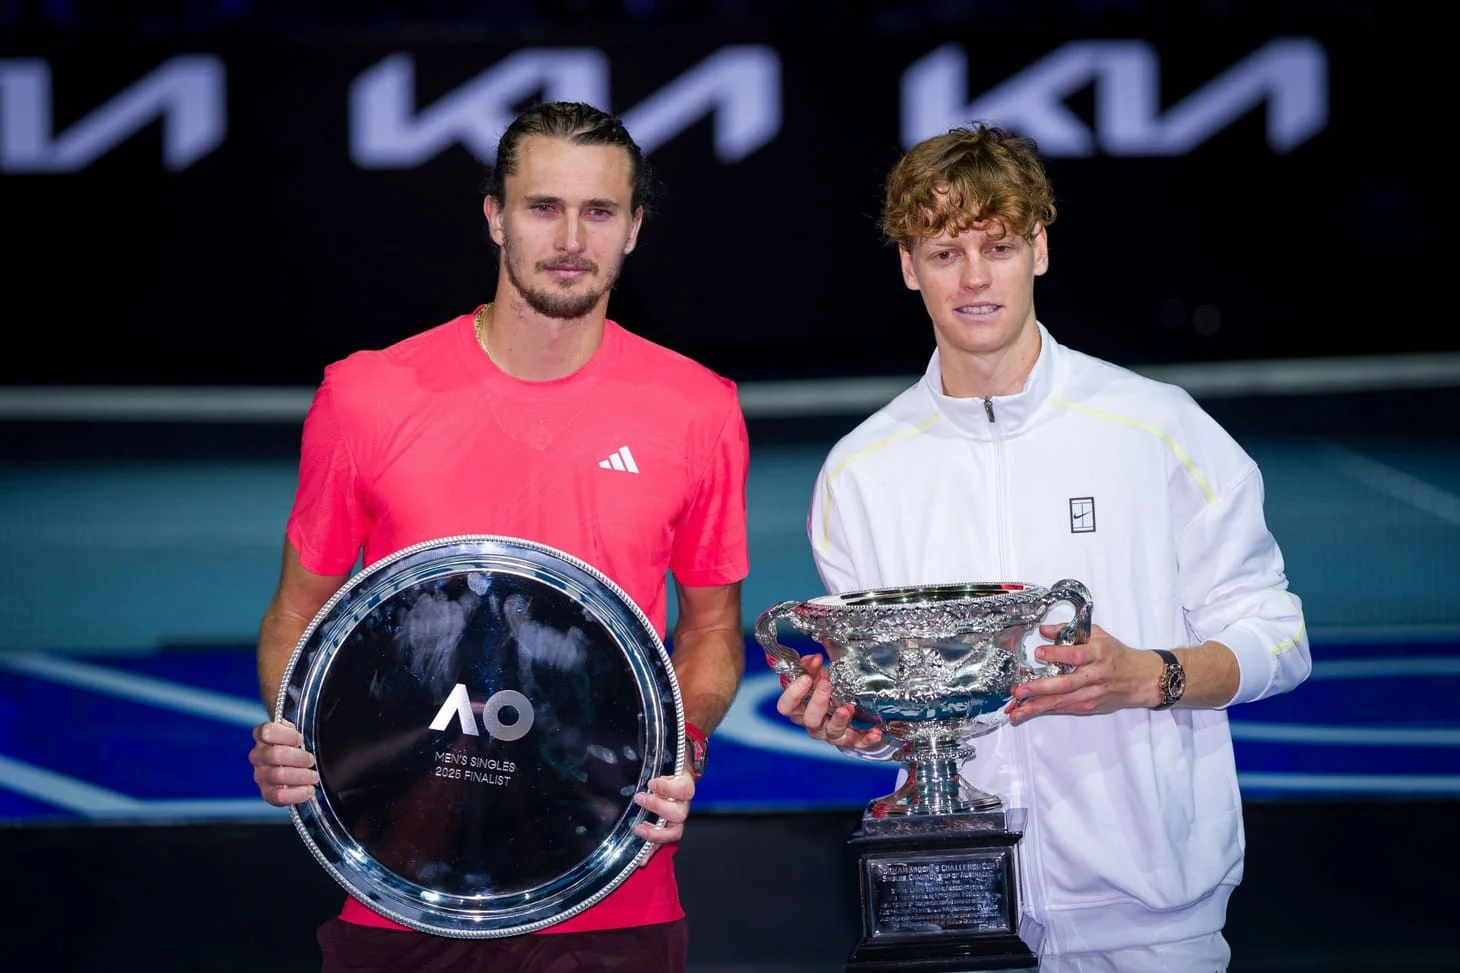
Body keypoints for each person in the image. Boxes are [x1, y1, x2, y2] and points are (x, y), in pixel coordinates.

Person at [774, 123, 1311, 972]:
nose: (976, 277)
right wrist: (854, 718)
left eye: (999, 245)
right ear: (910, 266)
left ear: (1041, 249)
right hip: (953, 912)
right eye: (946, 251)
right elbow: (894, 721)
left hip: (1153, 918)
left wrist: (1149, 673)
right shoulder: (860, 473)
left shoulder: (1157, 427)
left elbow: (1279, 639)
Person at [247, 101, 749, 973]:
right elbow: (300, 611)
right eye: (542, 206)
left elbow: (709, 627)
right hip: (400, 896)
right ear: (494, 215)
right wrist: (291, 728)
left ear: (633, 228)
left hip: (615, 902)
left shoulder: (700, 409)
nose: (569, 237)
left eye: (599, 212)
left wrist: (685, 744)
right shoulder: (367, 397)